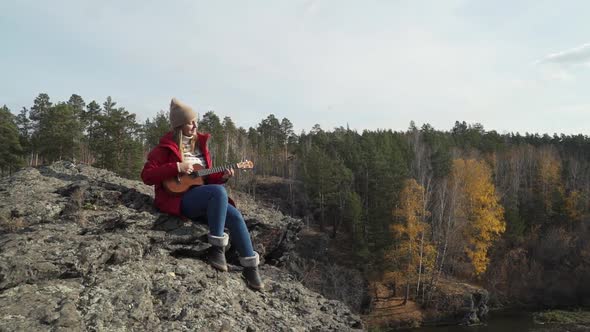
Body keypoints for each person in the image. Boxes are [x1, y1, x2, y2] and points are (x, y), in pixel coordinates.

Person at [141, 98, 263, 290]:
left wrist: (221, 176)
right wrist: (177, 166)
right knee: (218, 192)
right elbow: (147, 176)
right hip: (178, 199)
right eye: (191, 122)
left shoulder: (200, 147)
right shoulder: (163, 149)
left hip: (203, 196)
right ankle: (216, 249)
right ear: (179, 125)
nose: (195, 125)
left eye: (195, 121)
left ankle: (251, 267)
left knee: (235, 215)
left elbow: (204, 179)